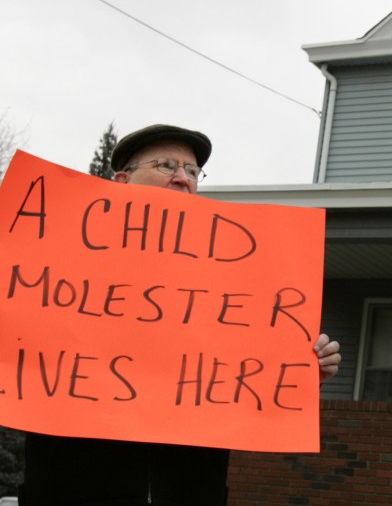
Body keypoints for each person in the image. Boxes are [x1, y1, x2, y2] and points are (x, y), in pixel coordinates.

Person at [19, 124, 341, 506]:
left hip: (189, 489)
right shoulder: (57, 260)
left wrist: (298, 370)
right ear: (123, 181)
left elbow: (241, 380)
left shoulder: (235, 280)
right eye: (167, 165)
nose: (182, 178)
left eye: (192, 171)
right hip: (73, 487)